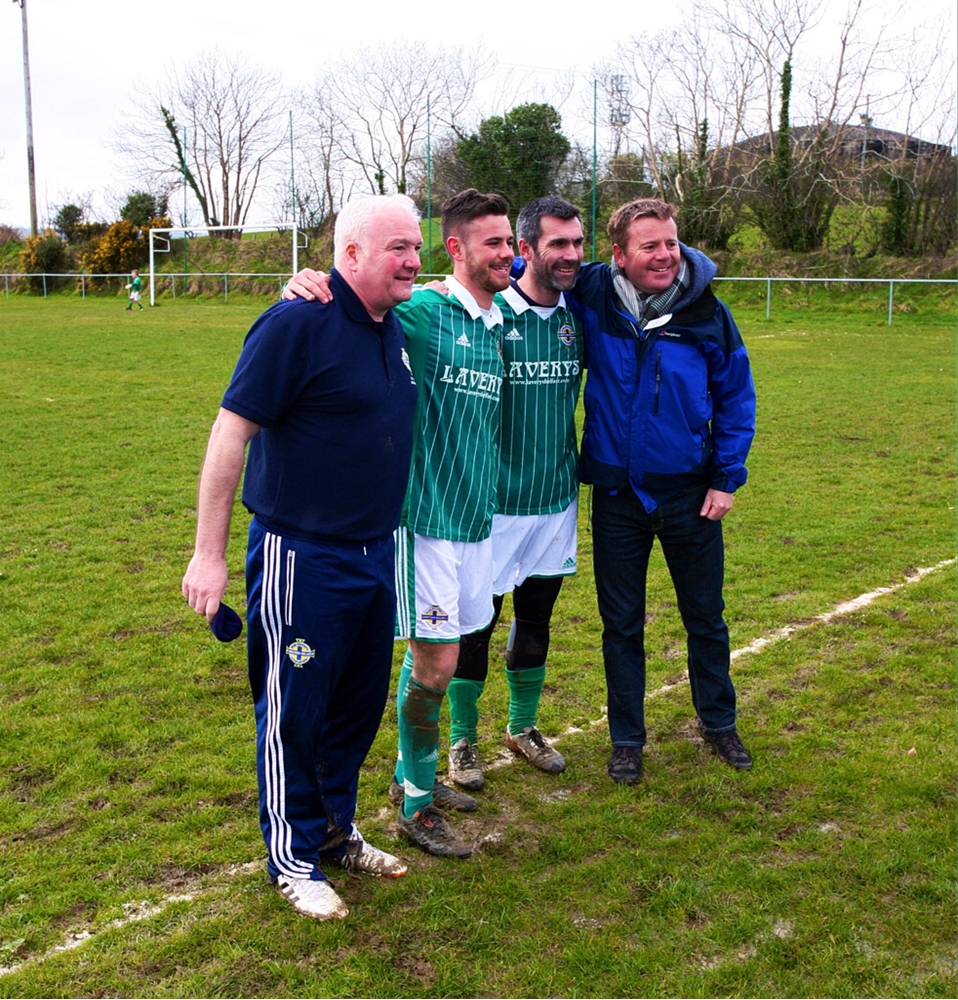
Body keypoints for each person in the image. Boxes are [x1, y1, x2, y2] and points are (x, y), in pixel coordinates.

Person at [181, 194, 422, 921]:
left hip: (376, 555)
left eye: (417, 246)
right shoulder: (297, 321)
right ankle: (290, 856)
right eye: (397, 248)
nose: (414, 259)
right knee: (294, 710)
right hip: (301, 556)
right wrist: (208, 556)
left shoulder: (395, 326)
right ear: (349, 256)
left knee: (355, 706)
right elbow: (230, 436)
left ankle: (336, 831)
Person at [284, 190, 514, 859]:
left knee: (438, 660)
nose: (506, 253)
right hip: (424, 520)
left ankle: (409, 772)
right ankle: (415, 806)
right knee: (437, 664)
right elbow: (350, 300)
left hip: (473, 518)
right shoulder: (423, 309)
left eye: (510, 241)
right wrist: (302, 282)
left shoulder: (494, 321)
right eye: (493, 242)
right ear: (458, 248)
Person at [570, 199, 756, 783]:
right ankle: (626, 738)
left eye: (671, 243)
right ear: (619, 255)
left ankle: (718, 724)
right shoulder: (592, 296)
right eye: (649, 246)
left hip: (691, 495)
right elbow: (519, 274)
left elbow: (735, 397)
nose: (664, 255)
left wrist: (726, 478)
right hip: (618, 496)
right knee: (620, 624)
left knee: (705, 617)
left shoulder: (707, 312)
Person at [442, 196, 585, 788]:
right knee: (474, 627)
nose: (572, 255)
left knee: (537, 620)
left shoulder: (583, 313)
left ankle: (522, 726)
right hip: (496, 507)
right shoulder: (487, 313)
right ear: (525, 249)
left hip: (557, 503)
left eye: (578, 243)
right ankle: (461, 741)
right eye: (558, 244)